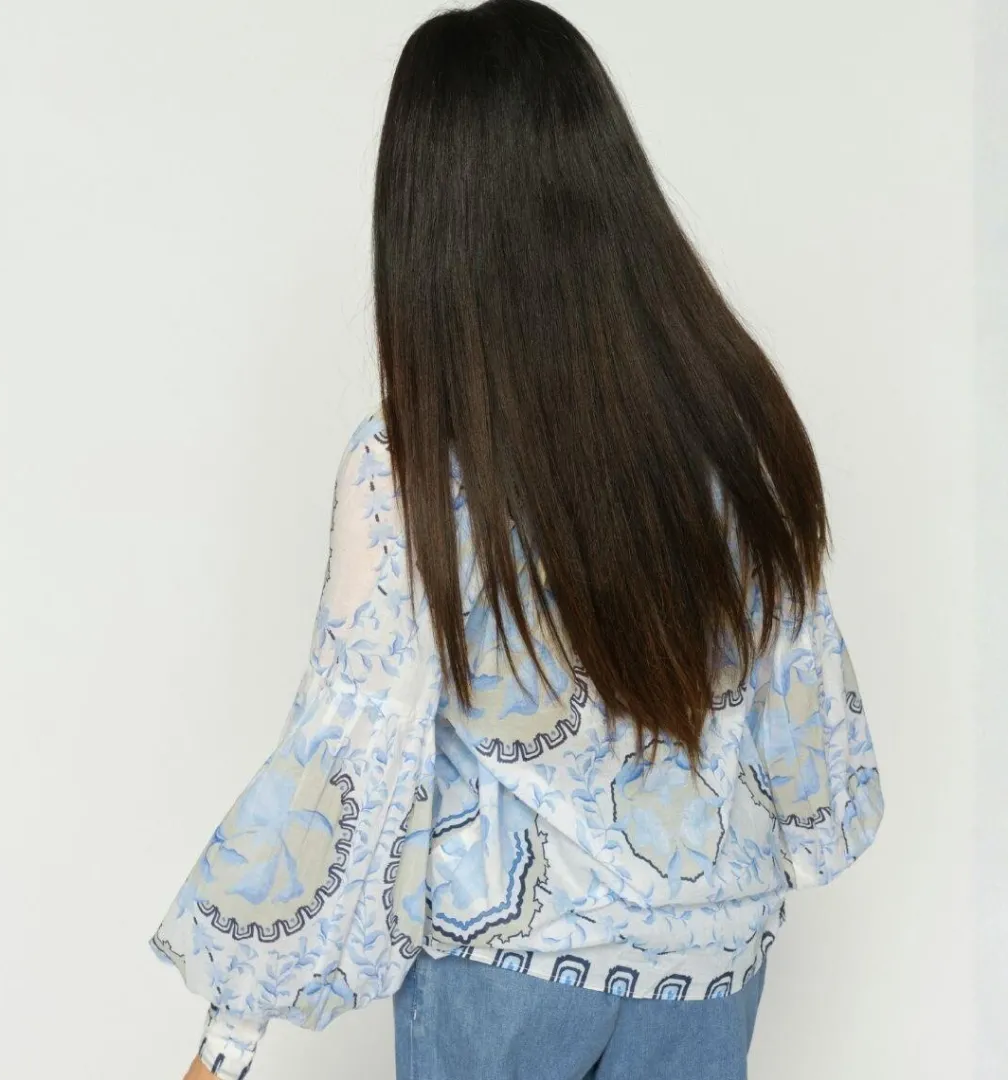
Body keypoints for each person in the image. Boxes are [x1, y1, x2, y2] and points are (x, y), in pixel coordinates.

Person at [152, 2, 884, 1077]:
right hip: (712, 962)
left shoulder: (410, 466)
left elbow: (349, 746)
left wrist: (230, 1035)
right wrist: (808, 838)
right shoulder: (729, 427)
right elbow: (800, 685)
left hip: (509, 969)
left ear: (425, 217)